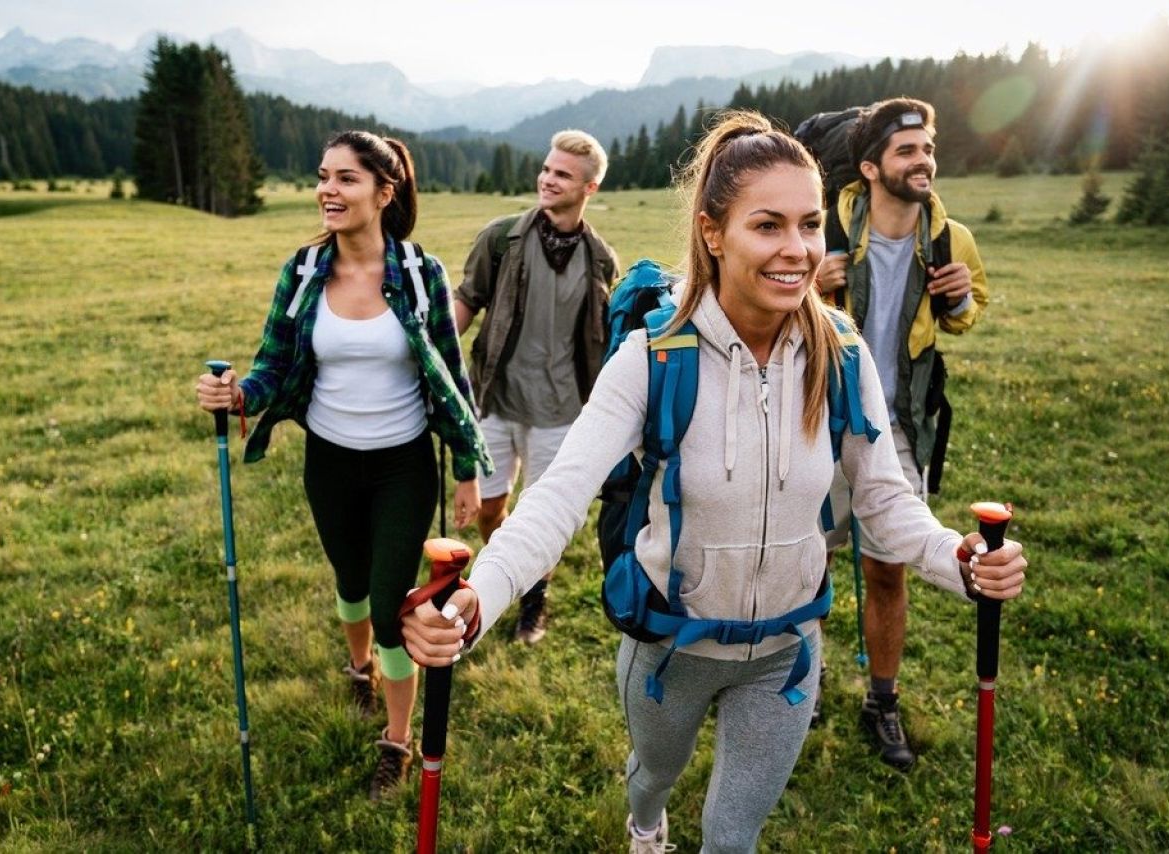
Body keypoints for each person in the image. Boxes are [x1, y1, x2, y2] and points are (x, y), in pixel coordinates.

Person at [402, 111, 1026, 853]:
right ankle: (645, 826)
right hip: (671, 651)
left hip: (786, 654)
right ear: (712, 233)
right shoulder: (651, 358)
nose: (797, 250)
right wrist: (478, 600)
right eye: (768, 226)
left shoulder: (844, 355)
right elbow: (557, 499)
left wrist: (960, 558)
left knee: (732, 837)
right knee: (652, 777)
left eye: (810, 224)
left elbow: (886, 503)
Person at [194, 130, 491, 801]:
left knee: (390, 605)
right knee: (350, 583)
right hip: (328, 460)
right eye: (323, 176)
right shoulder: (302, 272)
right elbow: (273, 364)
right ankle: (359, 667)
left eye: (346, 179)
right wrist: (238, 395)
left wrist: (467, 467)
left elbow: (451, 376)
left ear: (385, 193)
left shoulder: (420, 274)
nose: (328, 189)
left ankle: (396, 740)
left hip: (403, 466)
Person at [814, 97, 989, 771]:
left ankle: (881, 702)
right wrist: (813, 283)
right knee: (808, 564)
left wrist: (958, 298)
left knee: (889, 570)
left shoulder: (950, 238)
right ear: (870, 166)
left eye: (927, 150)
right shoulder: (824, 229)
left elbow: (963, 317)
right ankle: (806, 679)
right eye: (907, 152)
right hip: (820, 421)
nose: (923, 163)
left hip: (899, 430)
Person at [453, 129, 620, 644]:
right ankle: (504, 572)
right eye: (546, 169)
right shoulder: (500, 239)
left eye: (562, 174)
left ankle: (532, 599)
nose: (548, 180)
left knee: (542, 517)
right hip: (497, 400)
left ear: (588, 188)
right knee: (490, 506)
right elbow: (466, 298)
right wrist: (431, 349)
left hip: (562, 410)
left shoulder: (600, 259)